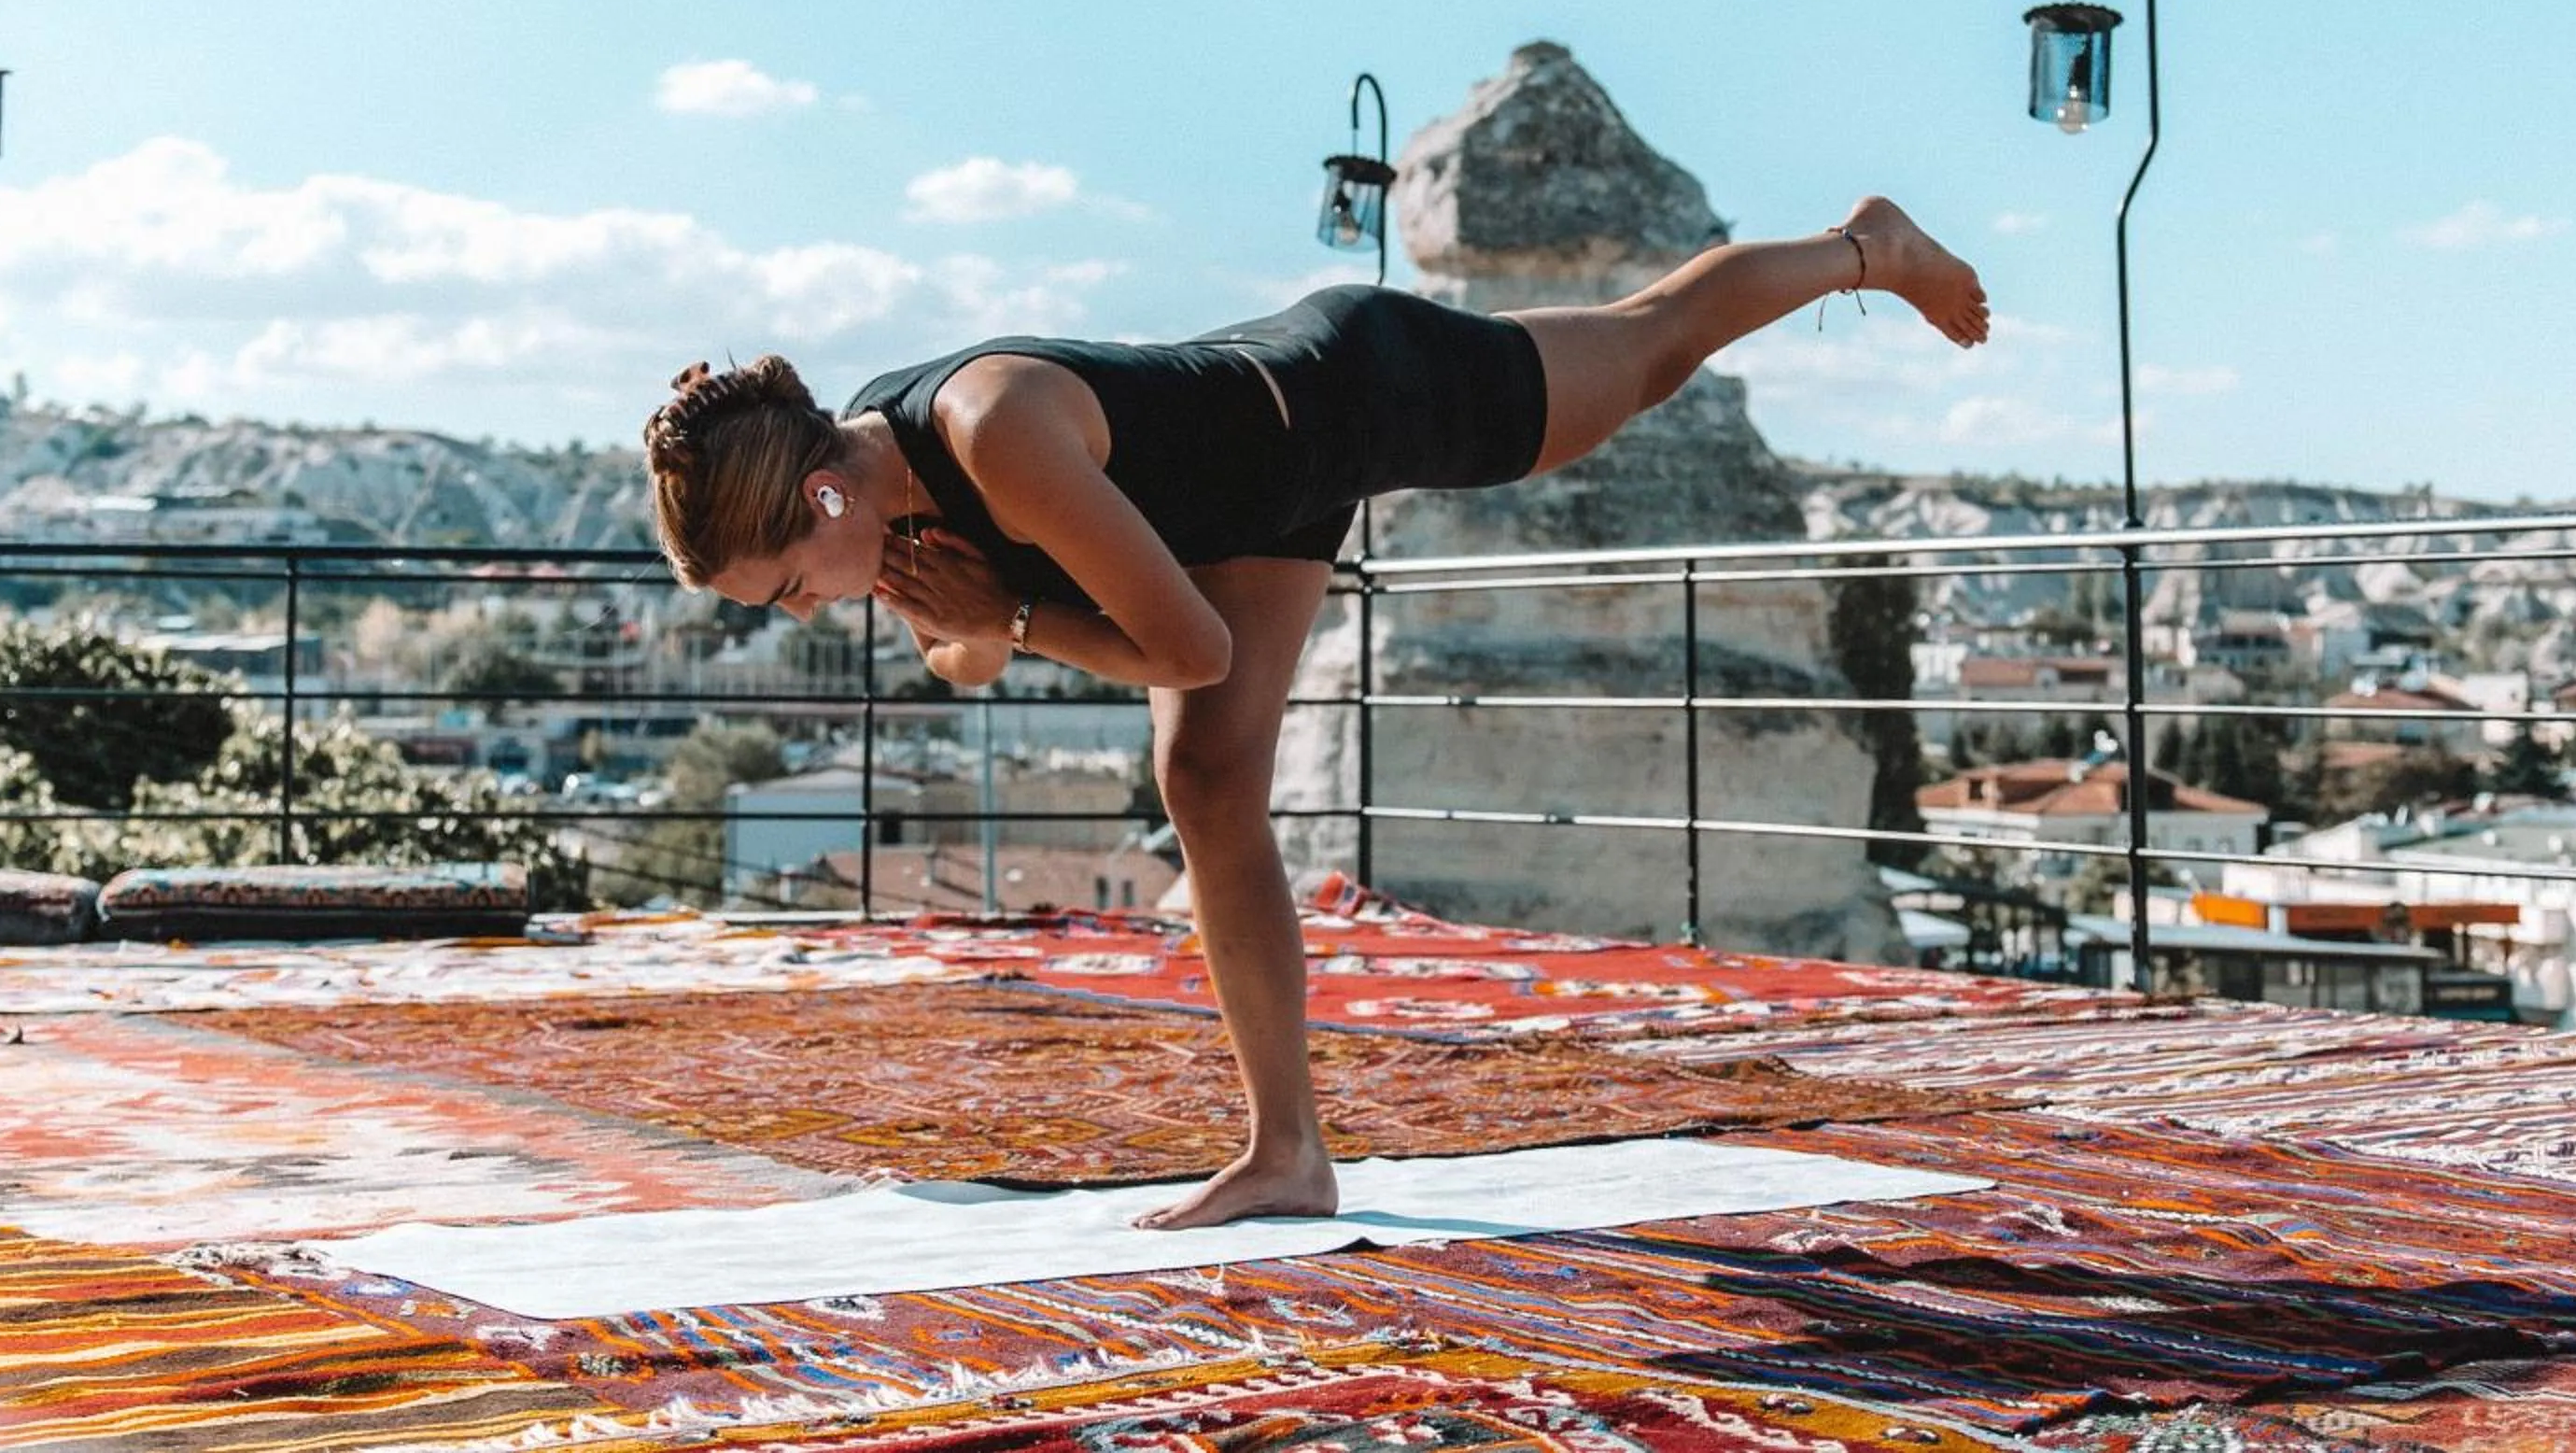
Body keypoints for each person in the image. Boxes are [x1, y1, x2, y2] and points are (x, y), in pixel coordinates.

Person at [642, 194, 1988, 1229]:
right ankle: (1289, 1151)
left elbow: (1186, 642)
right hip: (1242, 497)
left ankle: (1864, 246)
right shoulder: (874, 500)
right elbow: (978, 655)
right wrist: (967, 619)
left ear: (817, 497)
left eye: (783, 589)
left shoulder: (988, 432)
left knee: (1645, 355)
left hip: (1350, 387)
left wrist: (1001, 616)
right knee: (1209, 786)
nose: (804, 610)